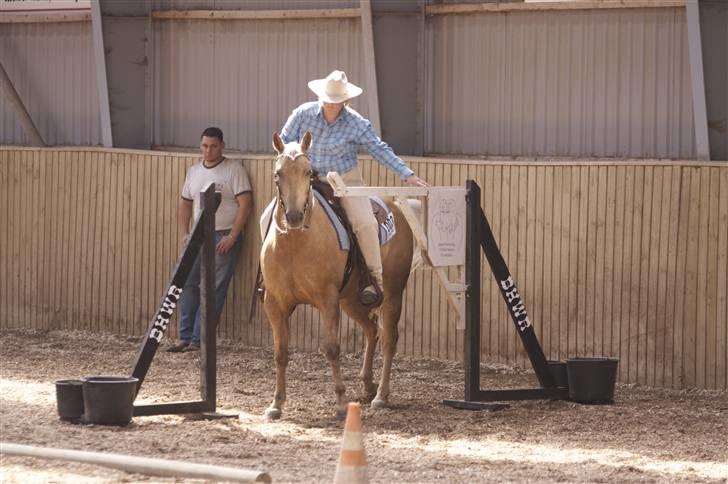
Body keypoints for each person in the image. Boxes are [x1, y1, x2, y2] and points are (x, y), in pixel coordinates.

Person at [279, 70, 429, 306]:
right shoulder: (302, 114)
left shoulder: (357, 123)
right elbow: (285, 140)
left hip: (345, 183)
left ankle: (373, 278)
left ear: (345, 101)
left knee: (366, 223)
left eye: (336, 101)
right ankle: (269, 276)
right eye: (328, 100)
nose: (331, 105)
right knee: (271, 215)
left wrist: (406, 174)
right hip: (307, 179)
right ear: (321, 97)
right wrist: (291, 159)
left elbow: (379, 149)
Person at [167, 127, 253, 352]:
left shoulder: (233, 170)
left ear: (222, 145)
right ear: (200, 145)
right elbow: (186, 202)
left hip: (222, 234)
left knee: (214, 288)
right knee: (187, 282)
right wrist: (185, 232)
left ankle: (199, 338)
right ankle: (185, 336)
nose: (209, 150)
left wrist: (233, 236)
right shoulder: (194, 171)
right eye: (205, 146)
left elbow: (246, 204)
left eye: (213, 146)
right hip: (197, 234)